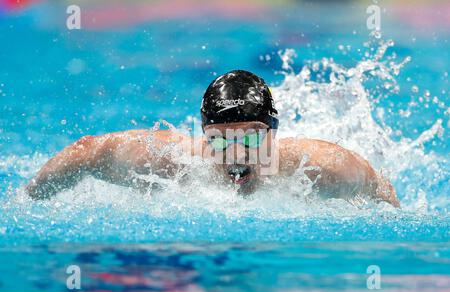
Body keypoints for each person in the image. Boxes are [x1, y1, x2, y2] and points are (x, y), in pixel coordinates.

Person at [26, 70, 400, 207]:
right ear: (203, 136)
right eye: (220, 140)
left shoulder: (319, 167)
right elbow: (88, 150)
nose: (235, 152)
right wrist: (25, 200)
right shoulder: (169, 162)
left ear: (273, 134)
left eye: (251, 139)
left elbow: (377, 186)